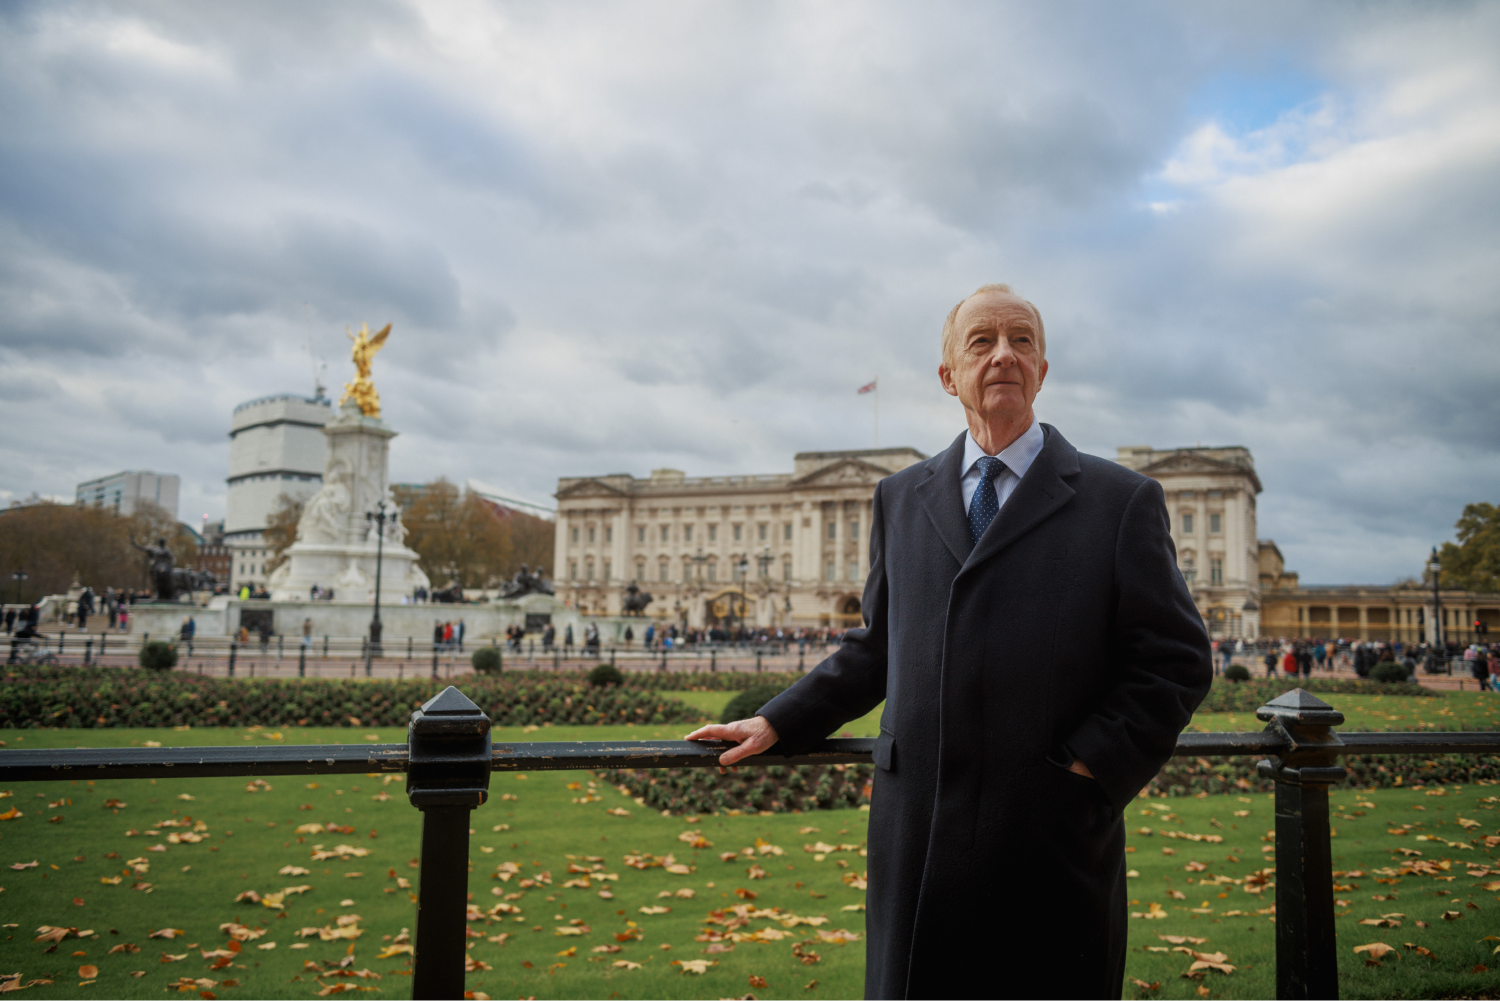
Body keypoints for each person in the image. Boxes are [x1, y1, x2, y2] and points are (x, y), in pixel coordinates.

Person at [686, 283, 1211, 999]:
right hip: (919, 836)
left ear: (1043, 371)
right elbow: (875, 647)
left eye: (1022, 340)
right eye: (982, 341)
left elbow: (1175, 661)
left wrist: (1088, 767)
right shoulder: (900, 496)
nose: (1004, 355)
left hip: (1049, 837)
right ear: (949, 377)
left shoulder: (1119, 501)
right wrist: (780, 717)